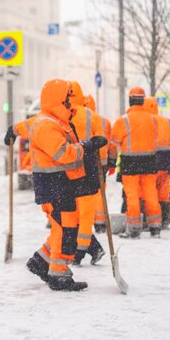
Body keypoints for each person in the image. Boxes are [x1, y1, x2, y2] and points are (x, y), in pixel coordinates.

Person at [25, 79, 107, 291]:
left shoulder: (55, 120)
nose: (71, 107)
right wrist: (87, 146)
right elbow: (63, 154)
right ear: (56, 101)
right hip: (52, 184)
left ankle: (42, 261)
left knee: (65, 226)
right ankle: (58, 275)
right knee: (63, 228)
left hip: (60, 183)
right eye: (66, 102)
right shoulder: (46, 125)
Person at [110, 87, 161, 238]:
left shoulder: (123, 120)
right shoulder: (152, 119)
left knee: (132, 196)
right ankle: (155, 227)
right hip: (149, 162)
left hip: (130, 163)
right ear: (143, 101)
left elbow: (113, 144)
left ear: (130, 100)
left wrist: (112, 162)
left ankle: (133, 229)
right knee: (151, 195)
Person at [68, 83, 105, 266]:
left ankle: (84, 248)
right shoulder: (93, 116)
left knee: (70, 213)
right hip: (89, 169)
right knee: (85, 214)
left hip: (66, 169)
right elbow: (101, 141)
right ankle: (82, 250)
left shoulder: (61, 115)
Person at [143, 97, 170, 228]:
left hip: (151, 159)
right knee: (163, 189)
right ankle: (165, 219)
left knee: (150, 190)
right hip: (166, 160)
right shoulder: (169, 122)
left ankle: (152, 219)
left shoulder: (145, 122)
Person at [83, 95, 114, 233]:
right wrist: (112, 162)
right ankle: (100, 223)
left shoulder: (78, 119)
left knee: (85, 194)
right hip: (102, 162)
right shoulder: (104, 121)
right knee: (100, 192)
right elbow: (111, 144)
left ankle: (85, 223)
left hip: (85, 161)